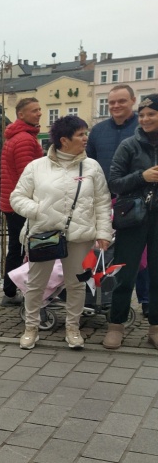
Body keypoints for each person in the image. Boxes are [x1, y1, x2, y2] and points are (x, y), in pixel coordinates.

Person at [12, 115, 112, 350]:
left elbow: (102, 201)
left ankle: (73, 329)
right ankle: (31, 328)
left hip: (80, 236)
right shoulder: (36, 167)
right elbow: (17, 197)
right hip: (44, 233)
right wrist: (37, 210)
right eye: (80, 134)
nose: (86, 138)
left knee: (76, 284)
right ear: (64, 140)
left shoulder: (92, 167)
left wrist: (104, 233)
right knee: (36, 284)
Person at [103, 97, 158, 350]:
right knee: (124, 274)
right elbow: (114, 182)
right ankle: (116, 325)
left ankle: (155, 328)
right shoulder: (129, 145)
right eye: (143, 114)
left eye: (151, 114)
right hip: (132, 219)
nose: (146, 119)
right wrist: (142, 176)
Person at [88, 84, 147, 315]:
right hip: (104, 199)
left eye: (121, 101)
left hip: (137, 200)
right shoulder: (98, 130)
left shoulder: (143, 128)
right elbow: (90, 163)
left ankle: (146, 302)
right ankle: (104, 299)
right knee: (105, 252)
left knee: (142, 254)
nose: (115, 106)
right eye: (111, 102)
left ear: (133, 101)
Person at [0, 97, 43, 307]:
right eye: (34, 111)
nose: (39, 113)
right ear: (21, 115)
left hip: (13, 202)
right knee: (21, 247)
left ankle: (10, 289)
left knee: (16, 247)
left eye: (39, 109)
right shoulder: (25, 139)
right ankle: (11, 290)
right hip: (21, 204)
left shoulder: (15, 136)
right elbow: (30, 175)